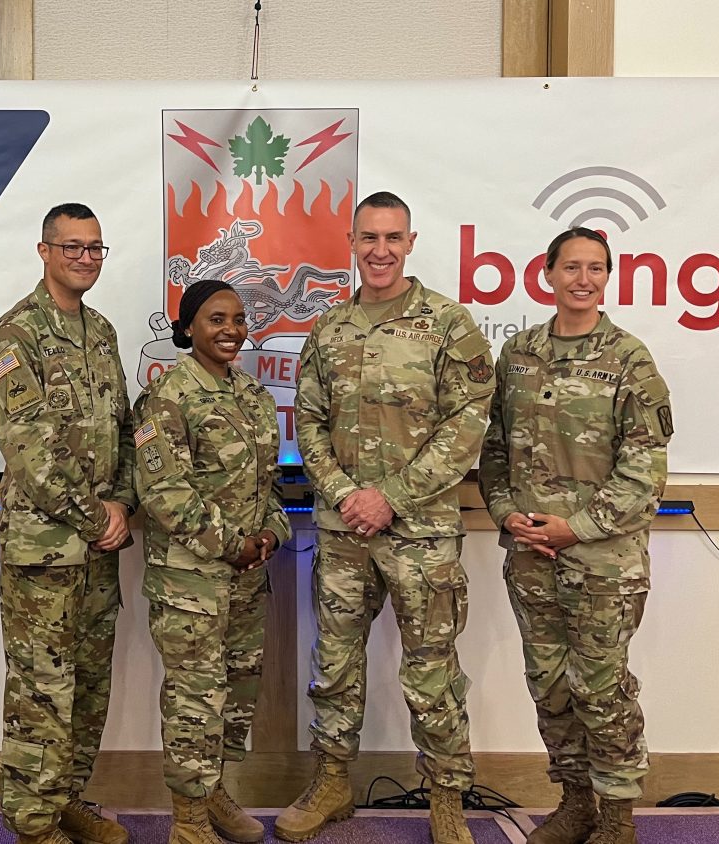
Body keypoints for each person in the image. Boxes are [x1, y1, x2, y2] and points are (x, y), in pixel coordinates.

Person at [285, 191, 494, 844]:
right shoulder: (327, 329)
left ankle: (446, 797)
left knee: (432, 671)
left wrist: (392, 497)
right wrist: (348, 492)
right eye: (368, 238)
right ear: (352, 243)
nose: (380, 250)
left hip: (422, 533)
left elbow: (468, 426)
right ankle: (333, 783)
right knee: (335, 664)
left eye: (392, 238)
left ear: (410, 242)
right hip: (345, 531)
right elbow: (308, 420)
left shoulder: (448, 324)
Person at [478, 227, 671, 844]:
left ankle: (618, 818)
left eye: (596, 269)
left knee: (602, 686)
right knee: (550, 683)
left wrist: (576, 528)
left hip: (603, 561)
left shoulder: (630, 359)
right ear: (548, 274)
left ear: (607, 278)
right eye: (572, 268)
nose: (583, 279)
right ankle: (576, 801)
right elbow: (493, 449)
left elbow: (645, 467)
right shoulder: (520, 355)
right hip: (532, 555)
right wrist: (507, 512)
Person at [0, 202, 137, 844]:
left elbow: (126, 430)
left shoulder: (101, 332)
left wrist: (122, 502)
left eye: (95, 248)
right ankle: (33, 823)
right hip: (45, 552)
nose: (84, 258)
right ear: (44, 251)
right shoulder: (14, 336)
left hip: (101, 547)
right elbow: (31, 451)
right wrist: (95, 515)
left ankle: (67, 798)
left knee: (90, 685)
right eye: (72, 247)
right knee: (41, 690)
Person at [133, 280, 292, 844]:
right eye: (215, 319)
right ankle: (190, 821)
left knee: (235, 696)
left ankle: (217, 792)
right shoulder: (168, 396)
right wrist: (234, 544)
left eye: (238, 319)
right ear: (189, 327)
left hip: (248, 580)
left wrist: (271, 535)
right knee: (195, 700)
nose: (230, 330)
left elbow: (267, 489)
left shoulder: (252, 395)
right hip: (191, 583)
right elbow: (164, 493)